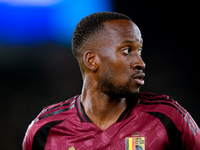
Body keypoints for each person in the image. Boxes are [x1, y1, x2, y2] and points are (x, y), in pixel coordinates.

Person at [22, 12, 200, 150]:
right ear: (92, 60)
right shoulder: (45, 130)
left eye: (140, 51)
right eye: (126, 50)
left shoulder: (169, 118)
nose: (140, 62)